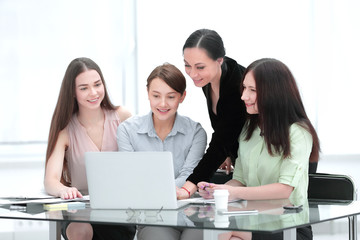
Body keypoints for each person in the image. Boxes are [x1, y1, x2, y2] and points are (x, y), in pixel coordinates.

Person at [198, 58, 320, 240]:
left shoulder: (298, 132)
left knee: (221, 230)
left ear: (274, 93)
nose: (243, 96)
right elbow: (239, 179)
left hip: (289, 227)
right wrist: (218, 190)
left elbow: (284, 190)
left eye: (252, 90)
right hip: (254, 221)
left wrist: (233, 192)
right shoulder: (249, 128)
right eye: (244, 88)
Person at [44, 57, 135, 240]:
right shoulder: (66, 130)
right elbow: (50, 180)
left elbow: (140, 165)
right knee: (79, 230)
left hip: (118, 210)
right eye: (84, 88)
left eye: (97, 84)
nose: (93, 93)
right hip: (81, 212)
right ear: (72, 92)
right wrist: (63, 190)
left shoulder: (122, 117)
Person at [117, 63, 207, 240]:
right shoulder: (127, 130)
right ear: (148, 94)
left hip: (192, 216)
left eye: (171, 97)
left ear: (182, 97)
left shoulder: (196, 132)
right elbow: (131, 175)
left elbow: (190, 174)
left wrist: (158, 190)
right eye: (156, 96)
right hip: (153, 217)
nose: (163, 104)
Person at [178, 29, 247, 199]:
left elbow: (221, 141)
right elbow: (229, 128)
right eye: (187, 65)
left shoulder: (236, 86)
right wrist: (229, 152)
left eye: (200, 67)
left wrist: (188, 187)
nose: (193, 74)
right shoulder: (209, 80)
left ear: (219, 60)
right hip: (247, 162)